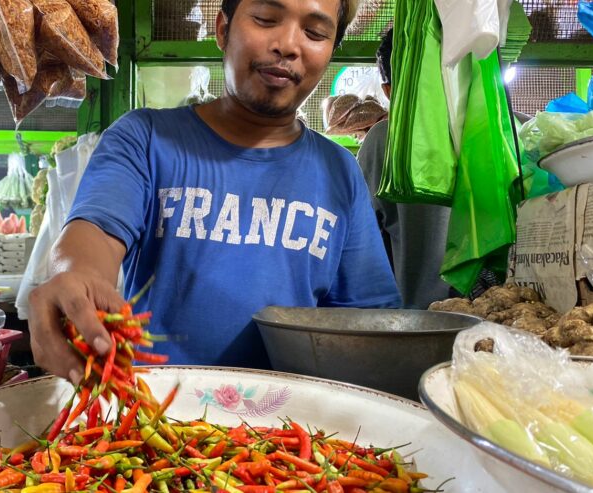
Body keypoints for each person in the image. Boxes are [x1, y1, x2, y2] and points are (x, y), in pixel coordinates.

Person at [27, 0, 400, 383]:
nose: (288, 44)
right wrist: (75, 278)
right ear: (223, 29)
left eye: (315, 33)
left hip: (287, 428)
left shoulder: (340, 172)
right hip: (154, 420)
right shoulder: (145, 138)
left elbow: (367, 320)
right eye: (266, 19)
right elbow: (94, 237)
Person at [356, 29, 454, 309]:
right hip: (509, 323)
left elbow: (366, 251)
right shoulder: (511, 131)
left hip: (421, 324)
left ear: (389, 91)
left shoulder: (384, 140)